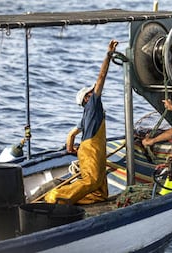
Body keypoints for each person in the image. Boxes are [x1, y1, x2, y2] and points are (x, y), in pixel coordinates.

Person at [45, 39, 118, 205]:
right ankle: (56, 195)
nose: (96, 92)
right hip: (91, 150)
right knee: (90, 181)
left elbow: (72, 134)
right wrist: (108, 55)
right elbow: (101, 77)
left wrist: (71, 149)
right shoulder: (93, 104)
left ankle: (78, 199)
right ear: (87, 98)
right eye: (92, 92)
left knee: (100, 192)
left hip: (90, 151)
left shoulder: (88, 113)